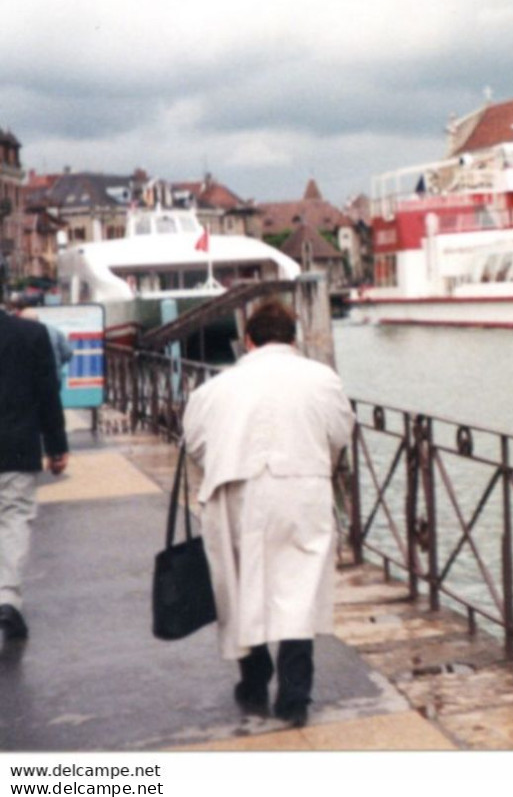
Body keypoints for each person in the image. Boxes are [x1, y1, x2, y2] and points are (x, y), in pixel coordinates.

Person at [181, 300, 354, 727]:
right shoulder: (322, 380)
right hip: (300, 485)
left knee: (241, 585)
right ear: (293, 338)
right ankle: (294, 695)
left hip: (233, 487)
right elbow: (339, 434)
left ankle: (254, 675)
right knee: (298, 588)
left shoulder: (214, 387)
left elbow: (196, 444)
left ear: (248, 340)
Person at [0, 304, 70, 642]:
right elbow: (47, 394)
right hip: (16, 447)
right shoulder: (30, 334)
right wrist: (57, 445)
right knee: (13, 519)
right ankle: (6, 599)